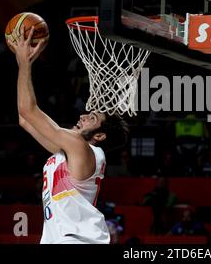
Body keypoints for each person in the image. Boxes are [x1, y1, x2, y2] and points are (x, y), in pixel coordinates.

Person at [7, 25, 129, 244]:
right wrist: (21, 63)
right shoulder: (70, 153)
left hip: (77, 240)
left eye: (92, 118)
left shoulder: (81, 147)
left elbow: (28, 110)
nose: (83, 116)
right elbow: (24, 120)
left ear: (99, 136)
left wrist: (25, 63)